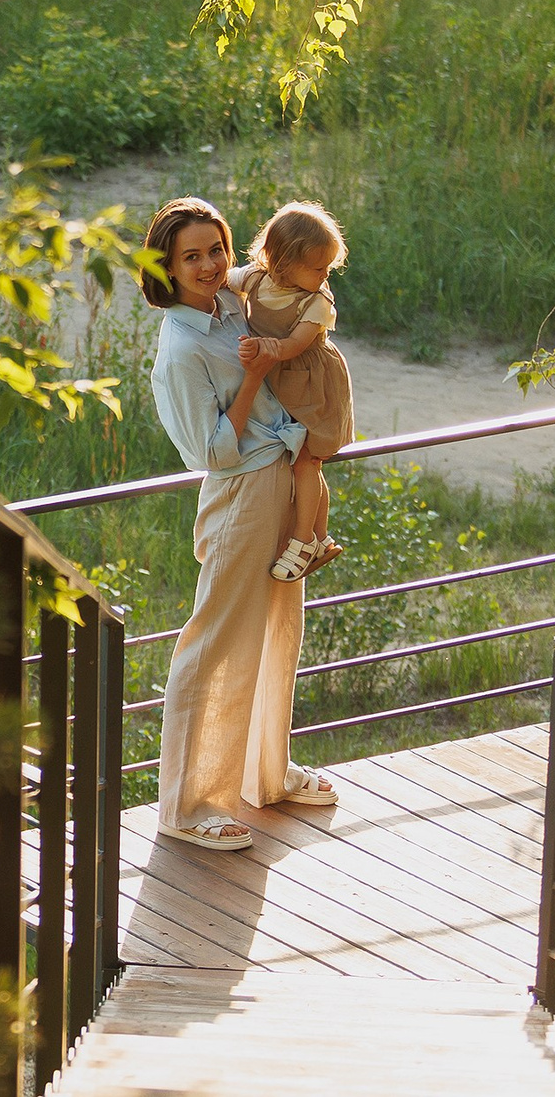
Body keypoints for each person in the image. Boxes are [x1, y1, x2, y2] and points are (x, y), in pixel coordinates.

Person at [142, 196, 337, 852]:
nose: (207, 264)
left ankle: (266, 774)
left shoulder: (228, 304)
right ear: (165, 265)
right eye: (190, 255)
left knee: (282, 626)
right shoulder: (178, 347)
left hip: (283, 475)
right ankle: (189, 803)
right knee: (214, 641)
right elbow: (210, 453)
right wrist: (254, 378)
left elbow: (294, 296)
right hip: (242, 489)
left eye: (215, 249)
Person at [232, 202, 355, 583]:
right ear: (281, 262)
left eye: (328, 269)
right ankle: (318, 538)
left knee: (307, 459)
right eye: (318, 268)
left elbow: (294, 345)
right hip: (278, 382)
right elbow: (223, 278)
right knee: (296, 458)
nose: (324, 276)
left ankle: (302, 541)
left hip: (313, 384)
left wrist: (266, 348)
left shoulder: (317, 301)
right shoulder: (255, 278)